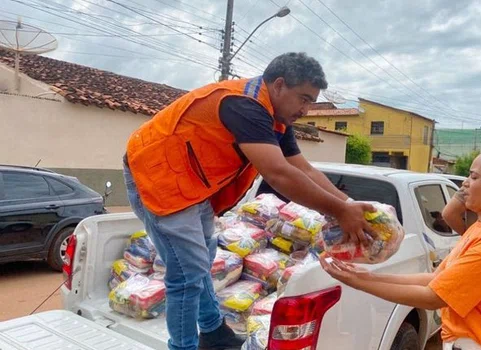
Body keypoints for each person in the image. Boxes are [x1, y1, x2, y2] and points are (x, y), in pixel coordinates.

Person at [123, 52, 375, 350]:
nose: (306, 109)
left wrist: (349, 204)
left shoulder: (275, 118)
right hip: (159, 178)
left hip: (191, 185)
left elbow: (302, 168)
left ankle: (213, 331)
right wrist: (339, 211)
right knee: (186, 276)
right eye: (304, 99)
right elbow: (278, 173)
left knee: (201, 261)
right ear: (279, 85)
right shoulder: (243, 105)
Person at [322, 148, 481, 349]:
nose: (466, 183)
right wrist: (370, 276)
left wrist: (359, 283)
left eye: (474, 176)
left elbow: (433, 297)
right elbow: (435, 279)